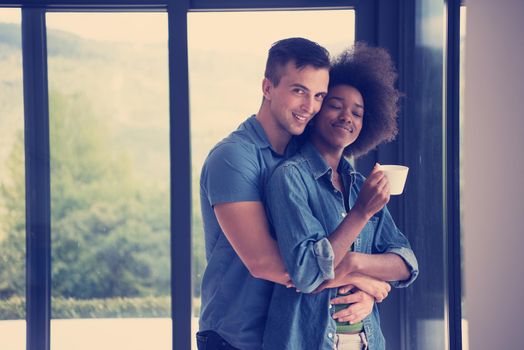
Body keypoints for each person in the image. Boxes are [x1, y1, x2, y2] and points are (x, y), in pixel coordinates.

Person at [263, 43, 419, 350]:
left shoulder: (363, 186)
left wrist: (356, 267)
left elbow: (406, 264)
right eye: (335, 105)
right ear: (317, 110)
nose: (347, 116)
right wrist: (361, 213)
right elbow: (307, 273)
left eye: (358, 112)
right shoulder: (290, 178)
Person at [197, 37, 333, 350]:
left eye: (319, 96)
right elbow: (264, 262)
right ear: (267, 88)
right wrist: (360, 275)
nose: (310, 107)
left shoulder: (306, 156)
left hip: (291, 336)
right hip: (235, 339)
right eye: (299, 90)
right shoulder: (232, 157)